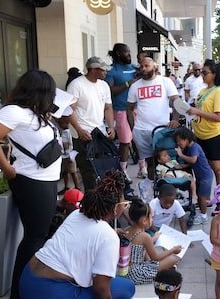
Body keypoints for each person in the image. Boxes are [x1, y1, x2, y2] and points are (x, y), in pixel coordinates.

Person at [20, 170, 136, 299]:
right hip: (48, 297)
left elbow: (84, 237)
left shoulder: (76, 214)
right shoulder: (108, 237)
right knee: (125, 289)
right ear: (114, 209)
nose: (124, 207)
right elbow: (102, 290)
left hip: (27, 284)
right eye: (124, 204)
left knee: (114, 284)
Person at [0, 70, 62, 299]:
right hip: (30, 181)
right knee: (34, 239)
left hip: (47, 180)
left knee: (39, 237)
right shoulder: (14, 111)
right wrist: (6, 168)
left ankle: (28, 291)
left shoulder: (38, 114)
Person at [126, 54, 179, 179]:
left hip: (162, 130)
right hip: (142, 131)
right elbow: (129, 108)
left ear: (154, 67)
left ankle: (166, 190)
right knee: (150, 163)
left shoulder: (165, 82)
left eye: (147, 66)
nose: (143, 68)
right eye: (142, 66)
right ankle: (152, 191)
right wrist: (133, 128)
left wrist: (175, 119)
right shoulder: (135, 86)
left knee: (165, 163)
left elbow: (176, 102)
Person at [67, 57, 115, 191]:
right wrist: (79, 130)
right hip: (83, 134)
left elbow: (108, 108)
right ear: (94, 69)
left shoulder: (104, 85)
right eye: (104, 70)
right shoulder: (76, 85)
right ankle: (91, 201)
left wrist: (110, 126)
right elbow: (69, 110)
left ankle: (100, 198)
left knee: (101, 168)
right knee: (88, 170)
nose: (106, 73)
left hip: (99, 133)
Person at [117, 198, 182, 285]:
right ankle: (157, 274)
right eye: (151, 217)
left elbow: (138, 244)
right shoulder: (145, 236)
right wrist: (173, 250)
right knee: (174, 259)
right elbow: (156, 258)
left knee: (148, 254)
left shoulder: (126, 230)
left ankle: (158, 272)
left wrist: (154, 238)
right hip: (136, 273)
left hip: (124, 271)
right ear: (144, 220)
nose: (152, 220)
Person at [185, 59, 220, 184]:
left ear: (214, 74)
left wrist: (197, 112)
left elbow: (219, 117)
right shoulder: (203, 91)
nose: (202, 75)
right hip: (200, 135)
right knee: (203, 168)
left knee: (218, 169)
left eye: (205, 73)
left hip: (215, 135)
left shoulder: (219, 91)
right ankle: (205, 199)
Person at [105, 43, 138, 173]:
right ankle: (122, 171)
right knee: (125, 141)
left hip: (136, 107)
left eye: (129, 52)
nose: (129, 55)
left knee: (138, 139)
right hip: (121, 109)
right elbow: (110, 91)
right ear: (118, 53)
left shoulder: (134, 68)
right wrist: (127, 84)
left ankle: (143, 167)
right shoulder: (112, 70)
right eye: (126, 52)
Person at [174, 127, 213, 225]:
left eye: (179, 141)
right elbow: (193, 162)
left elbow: (193, 160)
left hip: (205, 176)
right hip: (201, 176)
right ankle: (201, 213)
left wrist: (181, 155)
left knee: (202, 197)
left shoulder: (194, 147)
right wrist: (182, 165)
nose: (179, 144)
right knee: (200, 195)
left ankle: (204, 216)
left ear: (186, 138)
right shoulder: (191, 148)